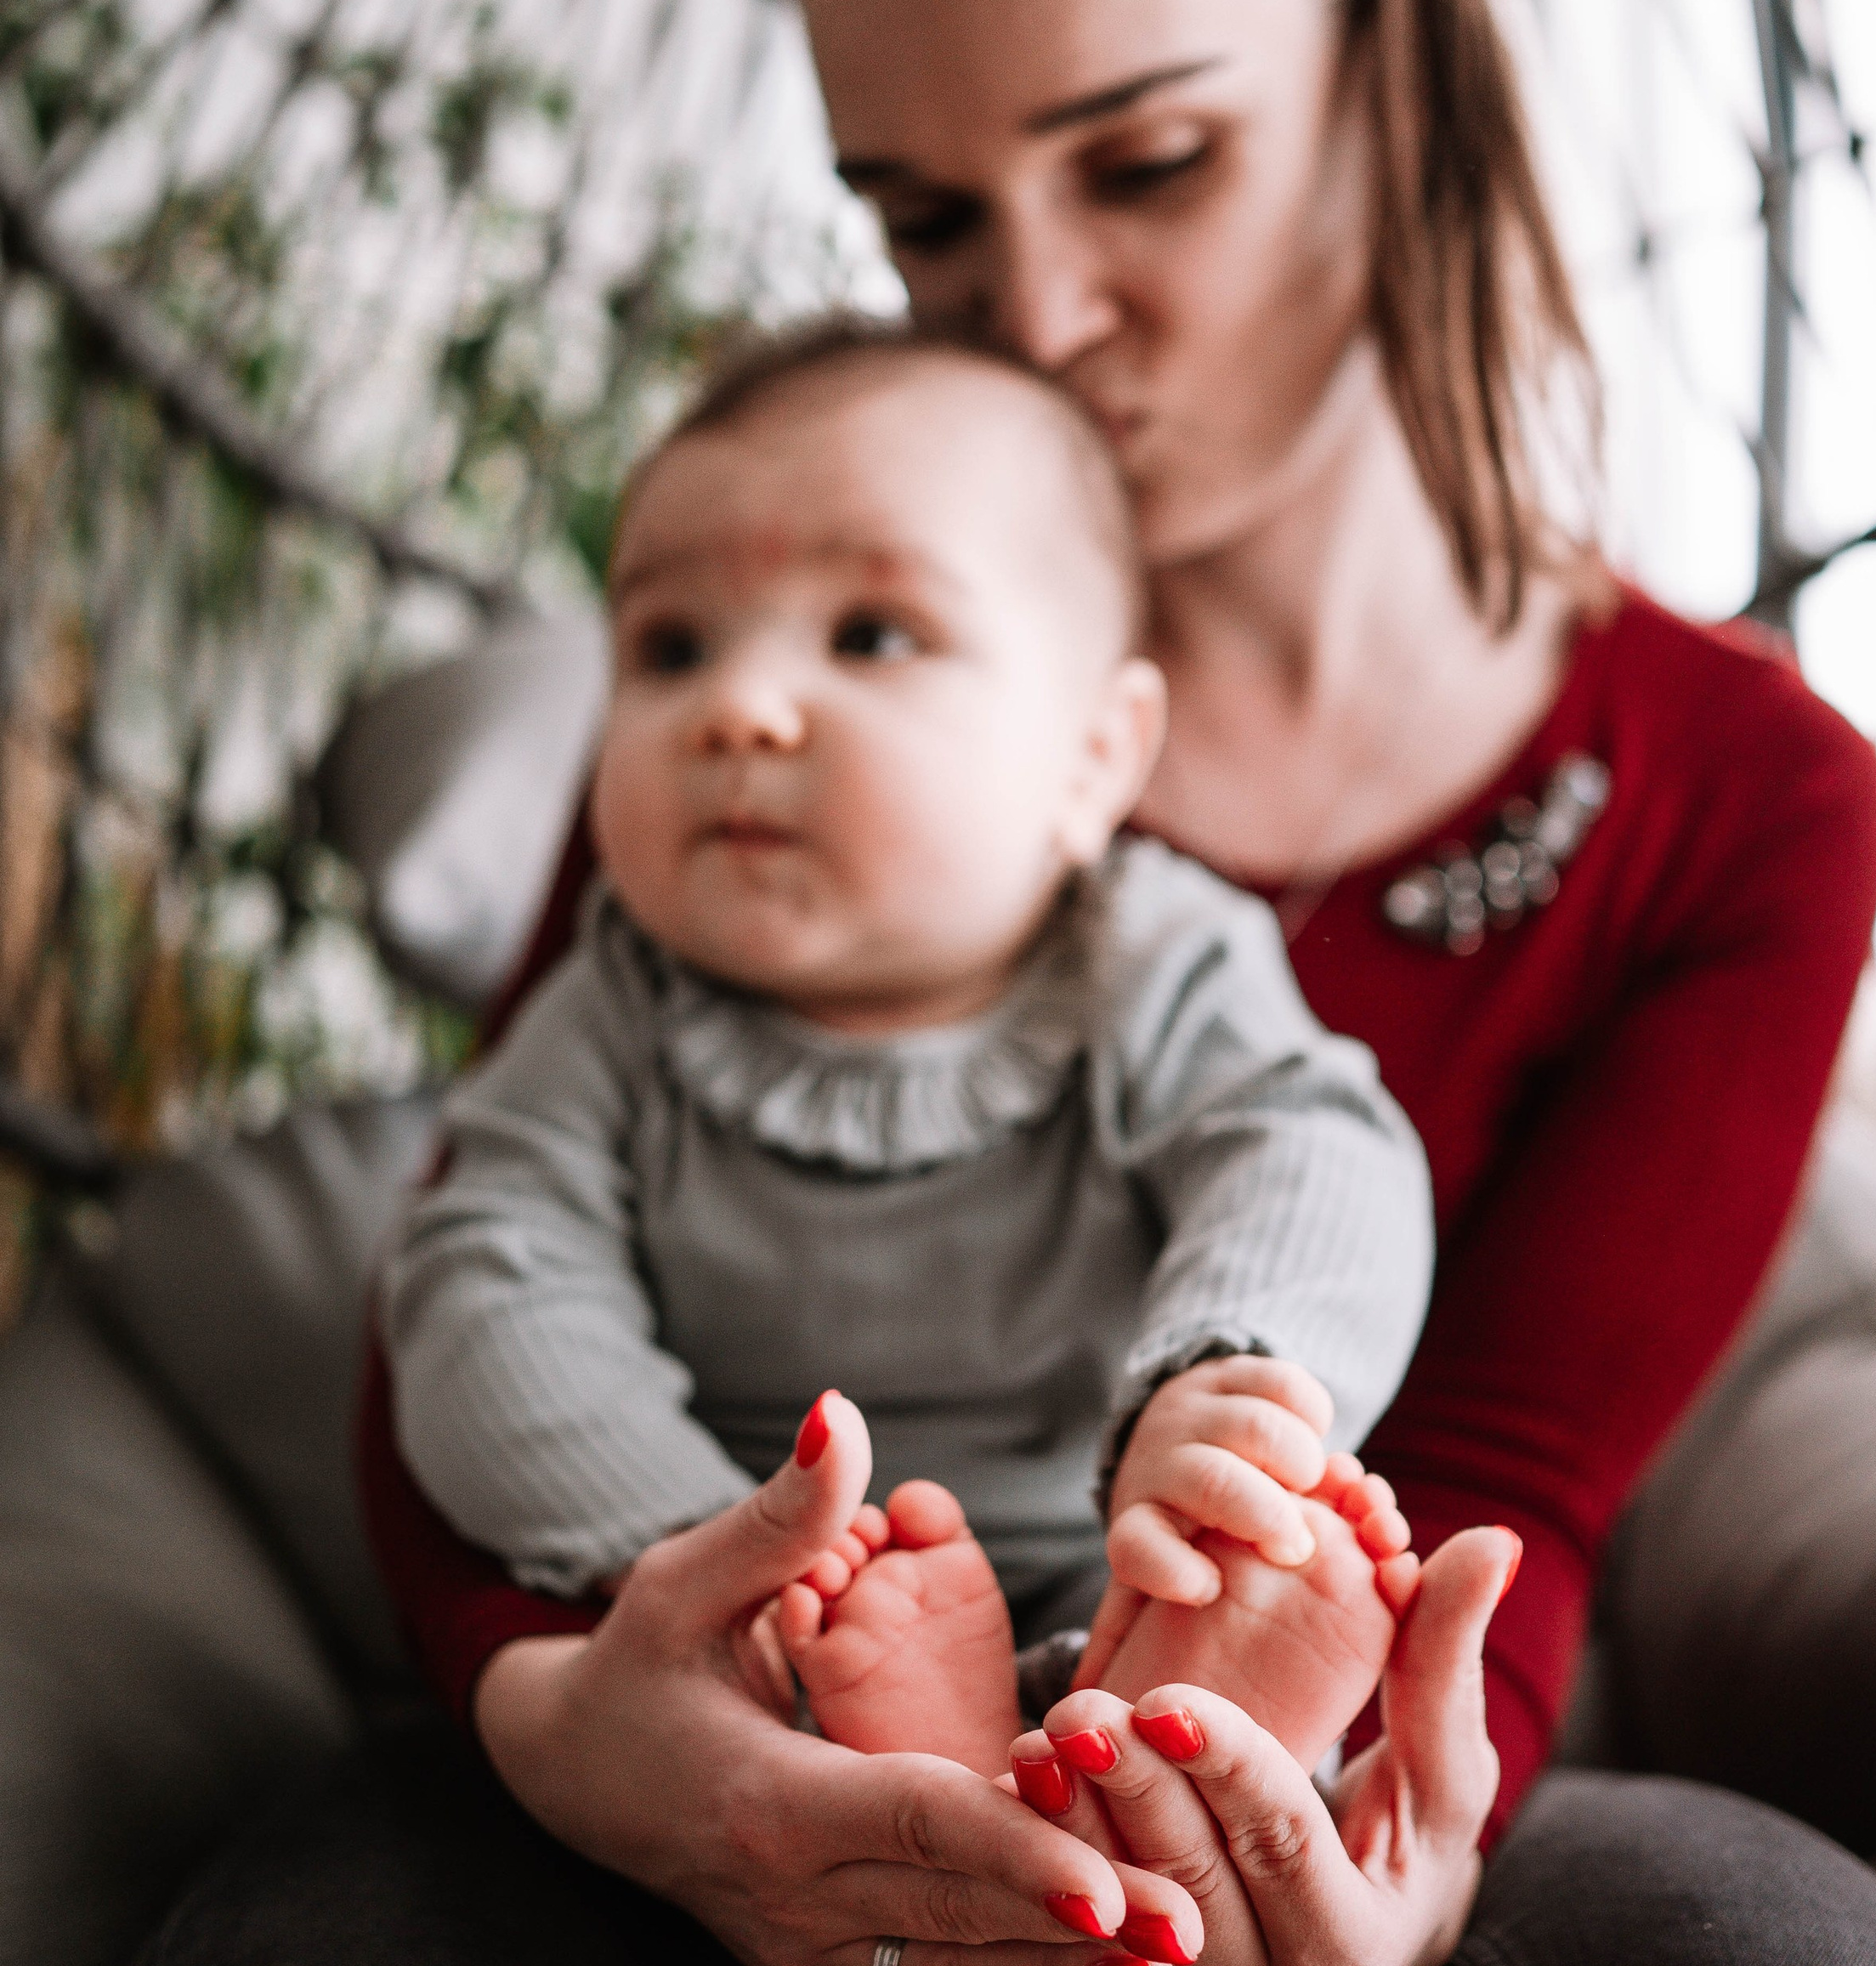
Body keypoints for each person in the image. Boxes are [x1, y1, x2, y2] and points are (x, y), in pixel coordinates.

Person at [145, 0, 1876, 1962]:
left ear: (1391, 65)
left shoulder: (1737, 797)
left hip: (1271, 1717)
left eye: (1147, 162)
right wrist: (605, 1714)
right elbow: (475, 1289)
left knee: (1757, 1934)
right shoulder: (779, 704)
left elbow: (1493, 1490)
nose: (1033, 319)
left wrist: (1328, 1797)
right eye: (924, 222)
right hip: (700, 1688)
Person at [383, 321, 1436, 1789]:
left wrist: (1232, 1384)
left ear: (1091, 759)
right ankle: (950, 1729)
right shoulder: (614, 1005)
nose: (738, 709)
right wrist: (725, 1563)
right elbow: (488, 1289)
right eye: (668, 647)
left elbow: (1314, 1148)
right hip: (748, 1627)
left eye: (871, 634)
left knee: (1230, 1560)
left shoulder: (1151, 953)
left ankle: (1198, 1688)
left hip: (1103, 1566)